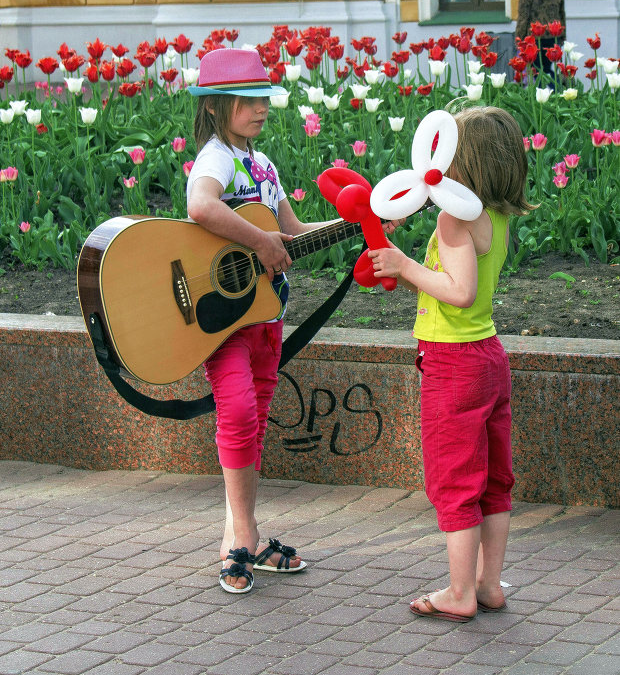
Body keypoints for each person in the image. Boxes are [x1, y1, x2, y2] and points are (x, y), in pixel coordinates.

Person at [186, 47, 400, 594]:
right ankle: (246, 537)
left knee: (252, 419)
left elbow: (295, 231)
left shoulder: (263, 165)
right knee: (235, 409)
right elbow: (201, 208)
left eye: (264, 98)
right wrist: (258, 240)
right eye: (247, 100)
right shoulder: (215, 158)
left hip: (265, 314)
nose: (260, 108)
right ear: (215, 107)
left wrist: (363, 219)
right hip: (221, 320)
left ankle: (237, 532)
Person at [368, 106, 535, 622]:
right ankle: (487, 584)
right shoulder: (496, 214)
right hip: (489, 356)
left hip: (453, 362)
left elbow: (459, 292)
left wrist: (404, 264)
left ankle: (459, 593)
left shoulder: (454, 217)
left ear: (464, 165)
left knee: (454, 480)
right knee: (493, 480)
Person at [515, 0, 566, 77]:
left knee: (536, 72)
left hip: (532, 40)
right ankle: (556, 91)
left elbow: (523, 17)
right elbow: (561, 13)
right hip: (552, 38)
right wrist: (562, 36)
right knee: (549, 70)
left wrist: (519, 38)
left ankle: (543, 93)